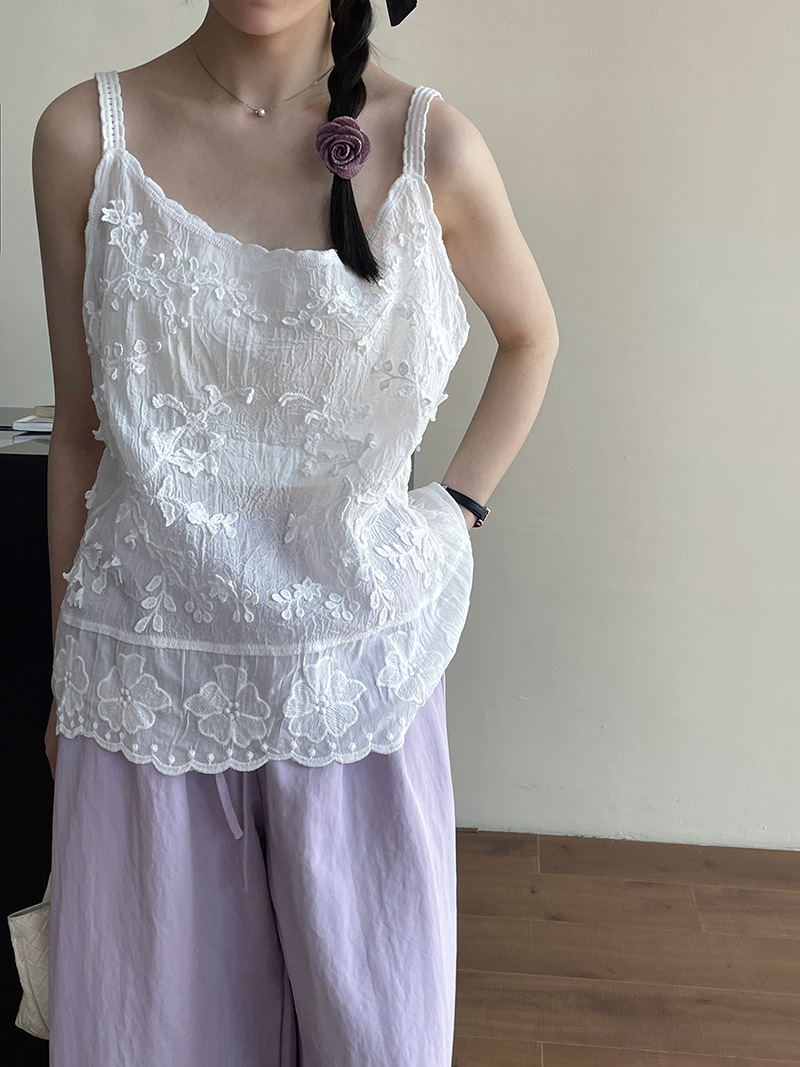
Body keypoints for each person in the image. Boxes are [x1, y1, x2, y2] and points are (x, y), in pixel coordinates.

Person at [32, 1, 559, 1063]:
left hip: (354, 690)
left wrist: (453, 512)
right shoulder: (85, 136)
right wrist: (67, 672)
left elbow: (531, 335)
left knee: (375, 1037)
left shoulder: (430, 146)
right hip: (145, 691)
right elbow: (80, 430)